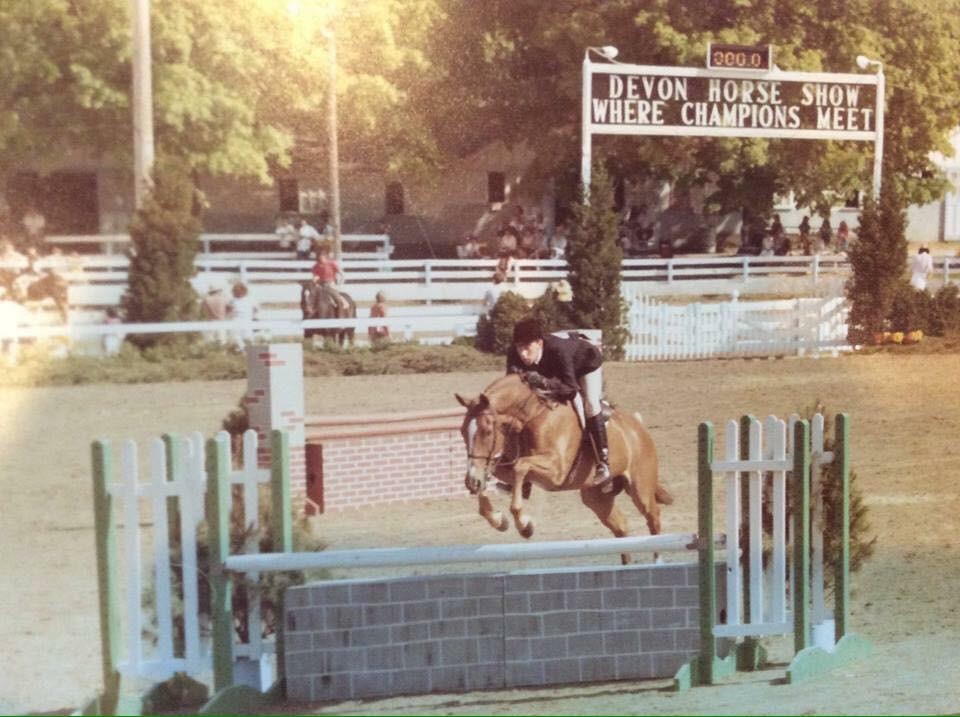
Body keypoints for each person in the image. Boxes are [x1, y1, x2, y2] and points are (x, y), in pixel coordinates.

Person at [506, 316, 613, 491]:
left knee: (590, 404)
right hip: (555, 372)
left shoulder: (558, 350)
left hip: (585, 364)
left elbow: (570, 389)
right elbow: (512, 386)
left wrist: (543, 381)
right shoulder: (513, 353)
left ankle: (603, 461)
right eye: (519, 348)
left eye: (527, 348)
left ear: (539, 343)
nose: (523, 354)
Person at [311, 242, 349, 311]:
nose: (321, 257)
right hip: (320, 285)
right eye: (319, 255)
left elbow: (341, 273)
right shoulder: (316, 266)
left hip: (330, 283)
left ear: (326, 256)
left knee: (334, 295)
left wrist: (340, 282)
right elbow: (315, 276)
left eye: (322, 255)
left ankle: (343, 303)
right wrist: (315, 281)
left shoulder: (331, 264)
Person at [228, 281, 258, 347]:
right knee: (247, 339)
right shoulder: (249, 299)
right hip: (245, 321)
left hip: (239, 321)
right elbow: (255, 309)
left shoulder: (233, 301)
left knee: (240, 340)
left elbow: (229, 312)